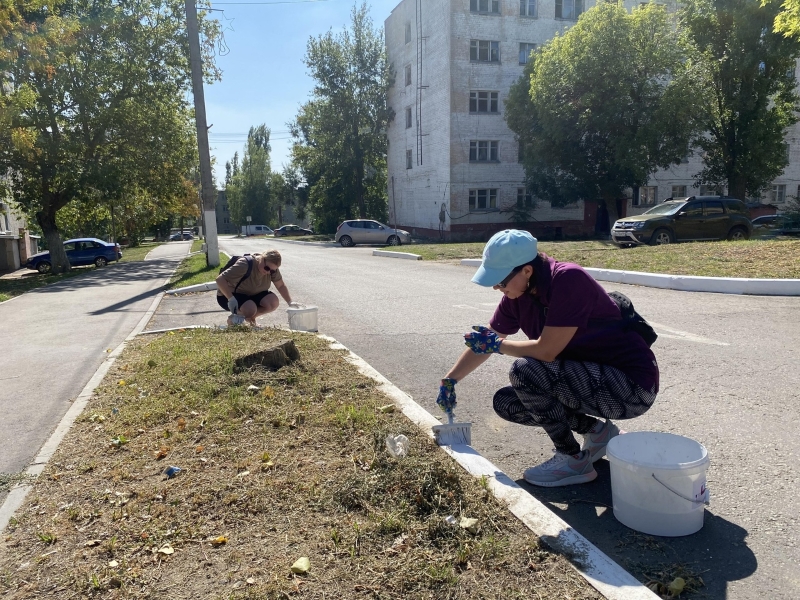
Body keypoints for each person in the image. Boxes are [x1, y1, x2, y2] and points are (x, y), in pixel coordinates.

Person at [437, 229, 659, 487]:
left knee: (525, 371)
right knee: (507, 402)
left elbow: (546, 351)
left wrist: (498, 345)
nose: (498, 288)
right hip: (590, 379)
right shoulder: (517, 295)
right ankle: (597, 432)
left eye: (501, 281)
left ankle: (573, 461)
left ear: (527, 271)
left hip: (631, 388)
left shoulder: (568, 280)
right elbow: (485, 342)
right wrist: (450, 380)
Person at [215, 249, 295, 327]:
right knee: (250, 308)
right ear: (262, 258)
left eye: (272, 271)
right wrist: (231, 299)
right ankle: (234, 320)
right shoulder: (245, 264)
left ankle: (248, 318)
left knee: (273, 302)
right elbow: (220, 279)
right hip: (229, 295)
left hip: (252, 295)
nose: (268, 272)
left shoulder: (271, 269)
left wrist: (290, 302)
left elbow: (280, 285)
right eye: (267, 268)